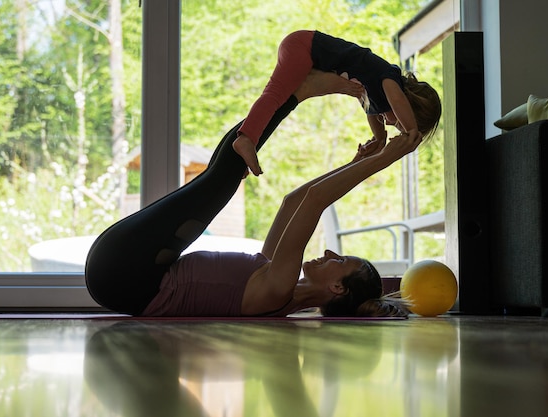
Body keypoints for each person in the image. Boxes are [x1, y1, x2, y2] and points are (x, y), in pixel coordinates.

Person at [85, 74, 417, 318]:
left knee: (219, 182)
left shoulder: (278, 289)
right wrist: (356, 162)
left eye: (341, 261)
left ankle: (295, 93)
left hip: (127, 276)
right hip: (126, 274)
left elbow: (316, 201)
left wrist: (383, 160)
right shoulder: (273, 279)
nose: (330, 251)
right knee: (219, 177)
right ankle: (293, 93)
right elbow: (293, 203)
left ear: (338, 289)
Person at [233, 29, 442, 176]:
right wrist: (410, 131)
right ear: (408, 104)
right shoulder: (389, 77)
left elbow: (371, 113)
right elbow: (396, 98)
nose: (390, 123)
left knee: (280, 105)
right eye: (397, 123)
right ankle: (246, 138)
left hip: (306, 52)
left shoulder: (375, 99)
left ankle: (247, 150)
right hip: (305, 47)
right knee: (275, 95)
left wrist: (379, 140)